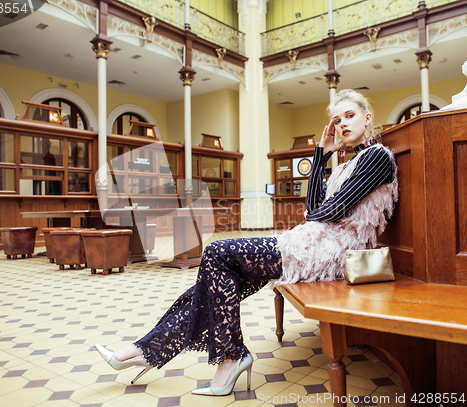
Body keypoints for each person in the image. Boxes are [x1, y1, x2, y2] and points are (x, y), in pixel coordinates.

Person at [95, 89, 399, 396]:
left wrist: (314, 213)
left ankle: (220, 356)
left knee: (217, 253)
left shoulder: (377, 156)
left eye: (350, 116)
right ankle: (145, 350)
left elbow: (329, 211)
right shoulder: (349, 162)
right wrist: (322, 153)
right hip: (314, 243)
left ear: (367, 118)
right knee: (213, 285)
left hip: (335, 252)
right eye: (337, 120)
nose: (342, 125)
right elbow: (315, 207)